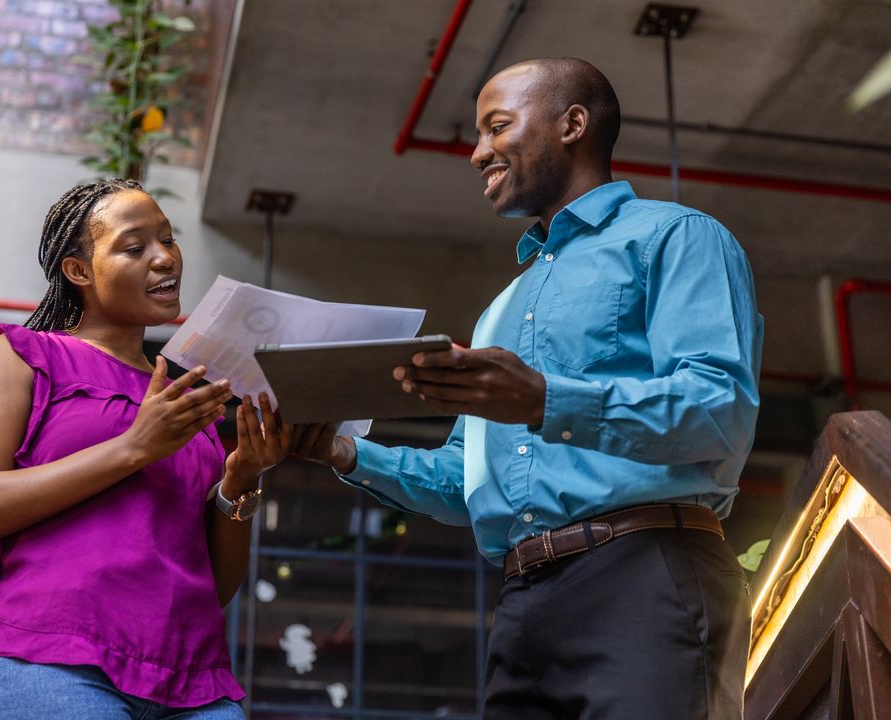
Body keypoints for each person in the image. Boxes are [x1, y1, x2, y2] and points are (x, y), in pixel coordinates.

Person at [296, 58, 762, 719]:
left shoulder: (676, 238)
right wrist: (342, 454)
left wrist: (547, 401)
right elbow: (470, 478)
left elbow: (721, 413)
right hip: (523, 602)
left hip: (645, 571)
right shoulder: (500, 311)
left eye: (497, 127)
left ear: (572, 124)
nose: (478, 152)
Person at [0, 179, 296, 719]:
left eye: (169, 240)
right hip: (54, 665)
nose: (165, 259)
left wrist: (242, 478)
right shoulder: (23, 357)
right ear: (78, 271)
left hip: (195, 683)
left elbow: (214, 586)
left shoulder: (183, 400)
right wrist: (134, 447)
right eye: (135, 248)